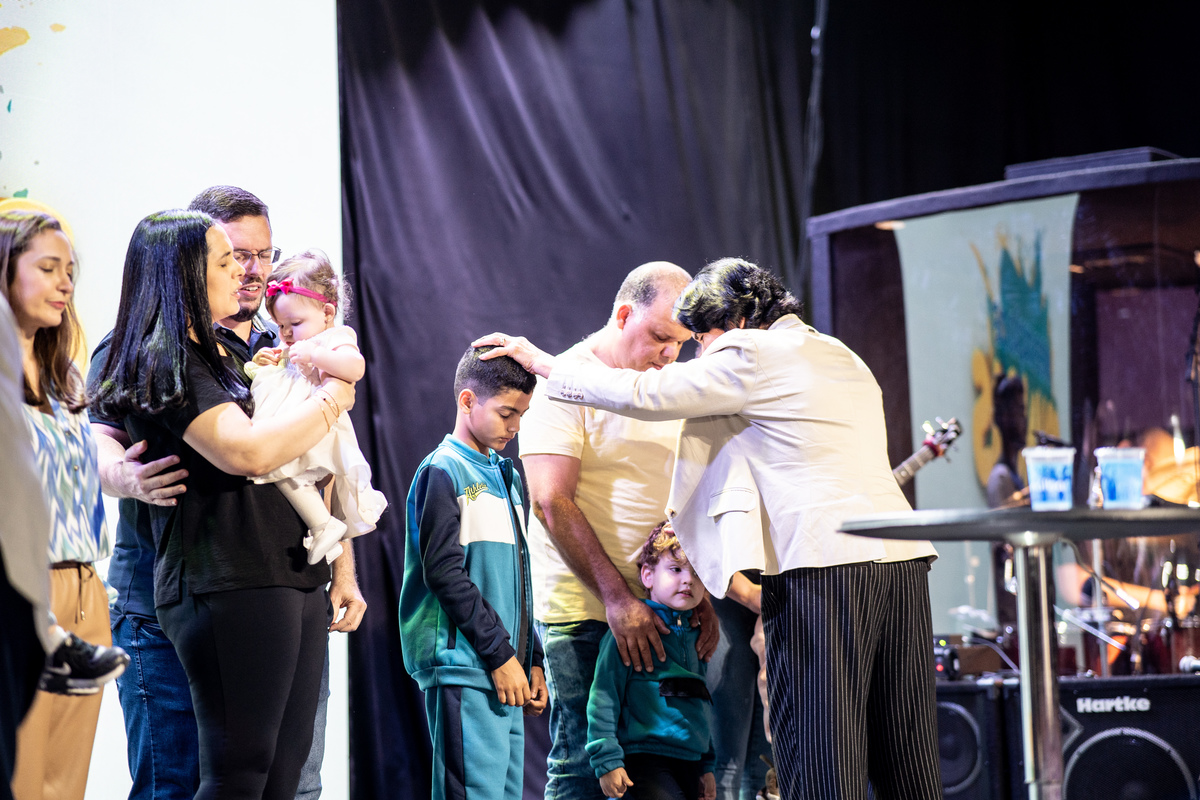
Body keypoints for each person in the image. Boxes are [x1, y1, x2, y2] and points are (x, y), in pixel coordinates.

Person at [477, 257, 943, 800]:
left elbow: (646, 395)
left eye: (701, 339)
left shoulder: (749, 353)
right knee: (906, 755)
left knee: (821, 760)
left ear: (738, 324)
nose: (695, 355)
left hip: (823, 569)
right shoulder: (838, 352)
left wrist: (541, 363)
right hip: (900, 563)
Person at [90, 186, 364, 800]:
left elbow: (313, 466)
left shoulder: (281, 340)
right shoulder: (146, 347)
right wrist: (125, 477)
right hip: (181, 578)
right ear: (192, 261)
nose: (252, 271)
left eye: (263, 255)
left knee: (288, 777)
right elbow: (99, 443)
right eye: (233, 255)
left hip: (285, 573)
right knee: (181, 776)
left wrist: (341, 566)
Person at [516, 261, 718, 800]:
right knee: (585, 765)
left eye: (680, 342)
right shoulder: (562, 382)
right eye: (658, 337)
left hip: (660, 612)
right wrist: (616, 597)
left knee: (659, 768)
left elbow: (683, 505)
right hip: (586, 610)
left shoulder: (667, 388)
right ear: (623, 314)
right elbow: (550, 500)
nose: (669, 354)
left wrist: (693, 593)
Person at [1, 209, 123, 800]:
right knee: (20, 776)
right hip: (24, 591)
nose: (65, 284)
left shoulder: (67, 377)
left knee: (64, 785)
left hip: (85, 592)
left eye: (69, 270)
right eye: (48, 268)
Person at [399, 345, 548, 800]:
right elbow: (444, 573)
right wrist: (501, 655)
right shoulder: (443, 470)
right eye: (507, 413)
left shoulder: (508, 476)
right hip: (469, 666)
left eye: (522, 414)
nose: (516, 426)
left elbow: (520, 577)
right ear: (468, 401)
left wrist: (532, 657)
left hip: (506, 667)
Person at [247, 249, 387, 564]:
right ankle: (323, 525)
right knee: (285, 474)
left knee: (284, 470)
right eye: (280, 325)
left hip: (320, 429)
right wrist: (266, 359)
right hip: (295, 423)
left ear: (326, 313)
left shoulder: (335, 337)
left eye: (294, 323)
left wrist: (315, 356)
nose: (284, 334)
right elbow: (280, 365)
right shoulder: (292, 341)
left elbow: (355, 367)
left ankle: (325, 524)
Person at [587, 522, 716, 800]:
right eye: (676, 569)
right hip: (643, 758)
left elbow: (701, 704)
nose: (688, 580)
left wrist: (707, 765)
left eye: (697, 573)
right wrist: (606, 760)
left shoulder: (699, 635)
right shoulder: (628, 630)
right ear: (647, 575)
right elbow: (604, 695)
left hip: (690, 760)